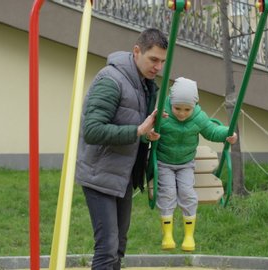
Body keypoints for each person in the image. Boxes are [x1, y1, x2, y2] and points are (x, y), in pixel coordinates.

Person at [75, 28, 168, 270]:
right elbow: (92, 130)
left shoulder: (142, 84)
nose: (158, 67)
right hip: (99, 174)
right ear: (137, 51)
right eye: (153, 60)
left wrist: (148, 133)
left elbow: (134, 126)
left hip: (122, 175)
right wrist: (137, 130)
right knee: (107, 248)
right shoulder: (111, 80)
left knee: (118, 247)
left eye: (162, 61)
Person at [148, 77, 238, 252]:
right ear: (171, 104)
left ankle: (189, 236)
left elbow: (212, 131)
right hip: (164, 162)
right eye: (178, 108)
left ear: (195, 106)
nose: (182, 113)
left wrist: (227, 133)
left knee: (188, 194)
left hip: (185, 164)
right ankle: (168, 235)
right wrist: (150, 135)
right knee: (167, 193)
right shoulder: (162, 115)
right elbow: (147, 132)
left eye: (187, 109)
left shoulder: (198, 117)